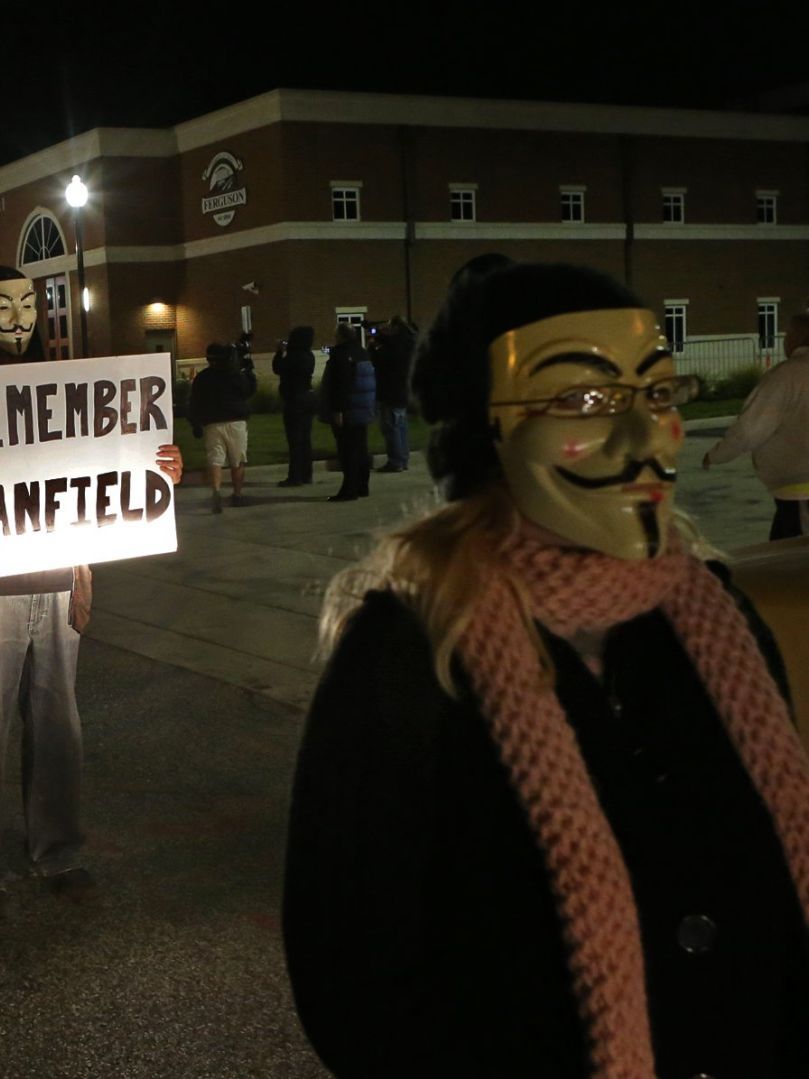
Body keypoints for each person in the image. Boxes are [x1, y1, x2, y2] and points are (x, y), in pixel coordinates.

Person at [284, 258, 809, 1077]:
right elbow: (352, 972)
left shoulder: (718, 618)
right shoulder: (406, 657)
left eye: (658, 395)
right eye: (585, 401)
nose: (646, 442)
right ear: (484, 432)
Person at [0, 263, 184, 919]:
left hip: (61, 576)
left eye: (28, 304)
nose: (18, 317)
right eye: (2, 306)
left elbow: (121, 463)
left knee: (59, 724)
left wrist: (161, 466)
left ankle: (58, 851)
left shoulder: (72, 386)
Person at [704, 309, 809, 540]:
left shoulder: (786, 376)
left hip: (799, 490)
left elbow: (750, 429)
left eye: (788, 334)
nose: (785, 340)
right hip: (795, 494)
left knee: (793, 564)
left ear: (799, 337)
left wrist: (717, 455)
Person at [188, 337, 257, 512]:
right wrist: (248, 371)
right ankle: (237, 494)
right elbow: (248, 391)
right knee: (238, 460)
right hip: (236, 421)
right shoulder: (234, 374)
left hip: (212, 423)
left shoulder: (203, 378)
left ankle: (216, 491)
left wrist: (195, 423)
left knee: (215, 459)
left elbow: (194, 402)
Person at [320, 322, 376, 501]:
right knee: (361, 448)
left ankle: (349, 490)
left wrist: (338, 410)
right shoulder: (362, 352)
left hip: (348, 410)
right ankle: (362, 485)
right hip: (363, 409)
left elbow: (340, 385)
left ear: (340, 336)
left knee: (347, 451)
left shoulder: (340, 355)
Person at [272, 327, 319, 487]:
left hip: (295, 400)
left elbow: (278, 368)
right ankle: (307, 474)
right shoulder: (309, 356)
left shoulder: (294, 356)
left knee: (294, 440)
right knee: (305, 439)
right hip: (307, 398)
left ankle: (295, 476)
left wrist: (279, 352)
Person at [373, 315, 417, 472]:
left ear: (396, 328)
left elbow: (382, 362)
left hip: (391, 392)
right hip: (402, 391)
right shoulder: (408, 343)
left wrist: (376, 341)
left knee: (391, 427)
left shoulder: (396, 346)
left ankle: (396, 461)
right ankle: (403, 459)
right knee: (401, 426)